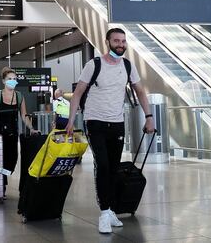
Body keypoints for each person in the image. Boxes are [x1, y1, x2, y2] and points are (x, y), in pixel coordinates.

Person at [66, 28, 156, 234]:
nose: (120, 44)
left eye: (123, 41)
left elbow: (140, 91)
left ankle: (111, 209)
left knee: (114, 169)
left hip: (116, 123)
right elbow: (78, 93)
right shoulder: (94, 65)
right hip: (94, 122)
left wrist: (149, 117)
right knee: (103, 165)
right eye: (116, 40)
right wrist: (71, 120)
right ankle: (105, 212)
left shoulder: (128, 65)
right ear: (107, 42)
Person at [0, 67, 36, 196]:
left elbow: (24, 115)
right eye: (9, 79)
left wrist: (31, 128)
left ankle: (3, 177)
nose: (12, 81)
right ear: (4, 81)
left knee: (12, 160)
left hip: (12, 133)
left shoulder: (19, 96)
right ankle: (1, 186)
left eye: (14, 79)